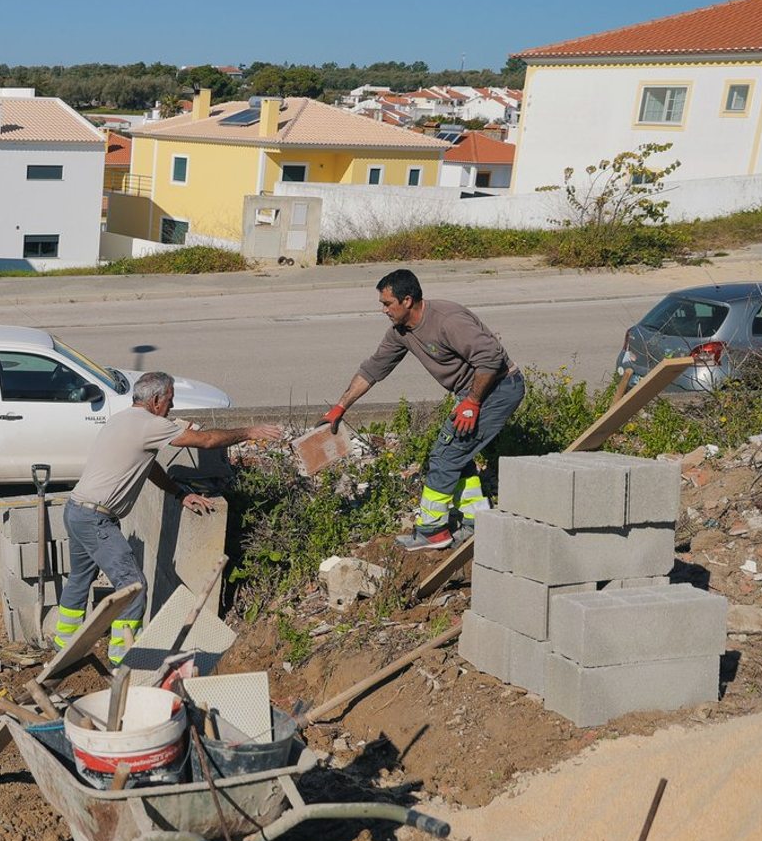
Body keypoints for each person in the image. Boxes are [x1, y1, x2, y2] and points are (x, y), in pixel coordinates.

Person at [54, 372, 281, 665]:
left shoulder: (122, 420)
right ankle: (122, 660)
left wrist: (178, 493)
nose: (171, 407)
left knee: (79, 578)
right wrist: (250, 432)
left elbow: (146, 466)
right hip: (96, 520)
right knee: (133, 587)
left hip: (76, 511)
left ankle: (63, 646)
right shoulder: (150, 425)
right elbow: (207, 440)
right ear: (156, 400)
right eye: (170, 401)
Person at [320, 268, 525, 551]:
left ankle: (432, 531)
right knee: (458, 454)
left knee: (443, 456)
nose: (383, 310)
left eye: (386, 303)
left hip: (499, 387)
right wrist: (341, 406)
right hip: (472, 393)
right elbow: (373, 369)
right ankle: (478, 519)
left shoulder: (447, 320)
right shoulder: (401, 332)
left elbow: (491, 357)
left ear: (407, 300)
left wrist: (473, 403)